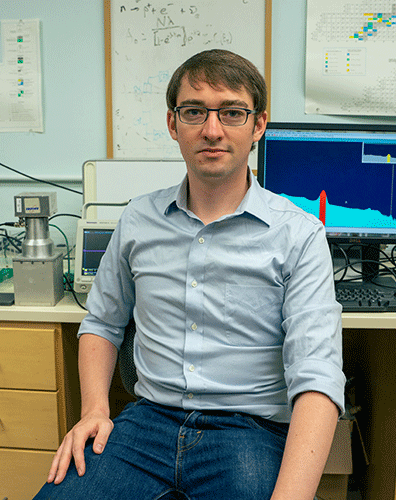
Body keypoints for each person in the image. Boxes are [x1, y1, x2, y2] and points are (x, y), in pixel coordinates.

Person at [33, 49, 345, 500]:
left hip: (249, 432)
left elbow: (316, 374)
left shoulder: (297, 234)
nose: (212, 129)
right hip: (146, 425)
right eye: (195, 111)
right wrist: (94, 410)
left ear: (258, 125)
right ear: (172, 124)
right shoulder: (139, 219)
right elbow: (101, 323)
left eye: (232, 112)